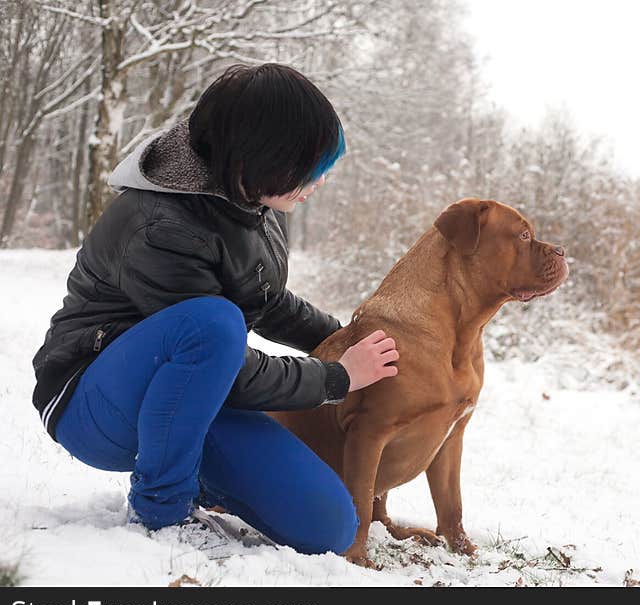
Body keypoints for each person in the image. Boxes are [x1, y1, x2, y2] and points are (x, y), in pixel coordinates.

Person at [30, 63, 400, 555]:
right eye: (309, 164)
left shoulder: (250, 200)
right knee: (214, 323)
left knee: (328, 526)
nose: (321, 178)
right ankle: (162, 510)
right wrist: (334, 378)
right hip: (93, 401)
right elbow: (222, 354)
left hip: (191, 397)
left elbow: (265, 301)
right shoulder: (160, 225)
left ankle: (202, 477)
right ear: (262, 156)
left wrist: (343, 339)